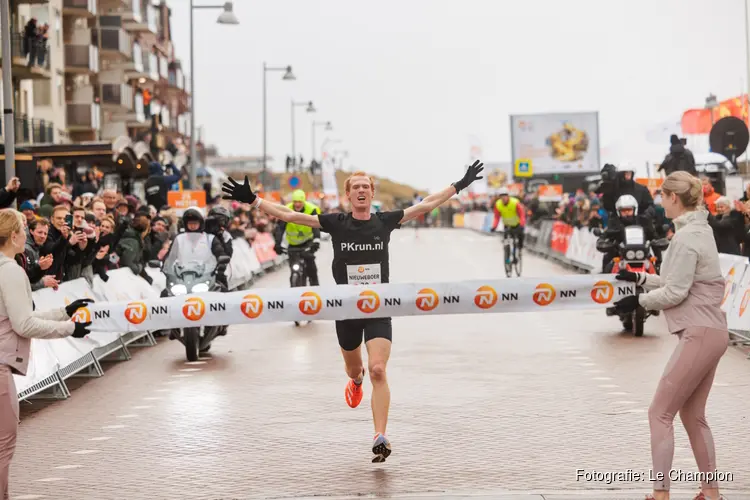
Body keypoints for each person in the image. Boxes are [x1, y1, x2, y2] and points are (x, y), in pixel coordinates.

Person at [222, 161, 484, 463]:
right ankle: (355, 381)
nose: (361, 191)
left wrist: (459, 185)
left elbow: (425, 204)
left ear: (372, 193)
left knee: (378, 370)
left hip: (379, 306)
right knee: (355, 369)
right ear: (348, 195)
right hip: (346, 308)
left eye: (365, 187)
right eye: (355, 187)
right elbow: (290, 215)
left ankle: (380, 436)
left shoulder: (385, 221)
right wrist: (254, 199)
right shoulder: (336, 222)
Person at [612, 171, 728, 500]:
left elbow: (675, 292)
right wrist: (637, 280)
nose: (660, 204)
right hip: (711, 332)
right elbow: (673, 281)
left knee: (659, 412)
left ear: (673, 198)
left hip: (700, 332)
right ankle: (711, 493)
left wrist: (639, 301)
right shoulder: (695, 231)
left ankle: (660, 494)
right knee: (692, 415)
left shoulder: (688, 237)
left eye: (662, 197)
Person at [0, 209, 92, 499]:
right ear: (13, 235)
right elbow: (24, 323)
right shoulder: (10, 270)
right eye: (24, 228)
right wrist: (69, 328)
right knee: (4, 444)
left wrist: (64, 312)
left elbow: (20, 314)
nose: (27, 234)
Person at [272, 190, 321, 286]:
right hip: (293, 246)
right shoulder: (286, 209)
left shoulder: (311, 209)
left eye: (300, 202)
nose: (297, 204)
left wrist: (316, 241)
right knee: (293, 269)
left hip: (308, 243)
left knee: (311, 269)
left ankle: (316, 288)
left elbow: (316, 226)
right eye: (295, 202)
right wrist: (277, 244)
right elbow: (280, 228)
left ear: (304, 201)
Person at [490, 187, 526, 263]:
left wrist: (522, 225)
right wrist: (494, 227)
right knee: (506, 242)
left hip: (517, 225)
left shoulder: (515, 202)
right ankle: (507, 258)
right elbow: (496, 217)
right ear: (499, 197)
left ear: (508, 196)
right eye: (501, 196)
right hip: (507, 226)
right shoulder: (498, 204)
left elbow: (522, 214)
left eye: (505, 195)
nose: (503, 197)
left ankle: (519, 250)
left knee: (520, 237)